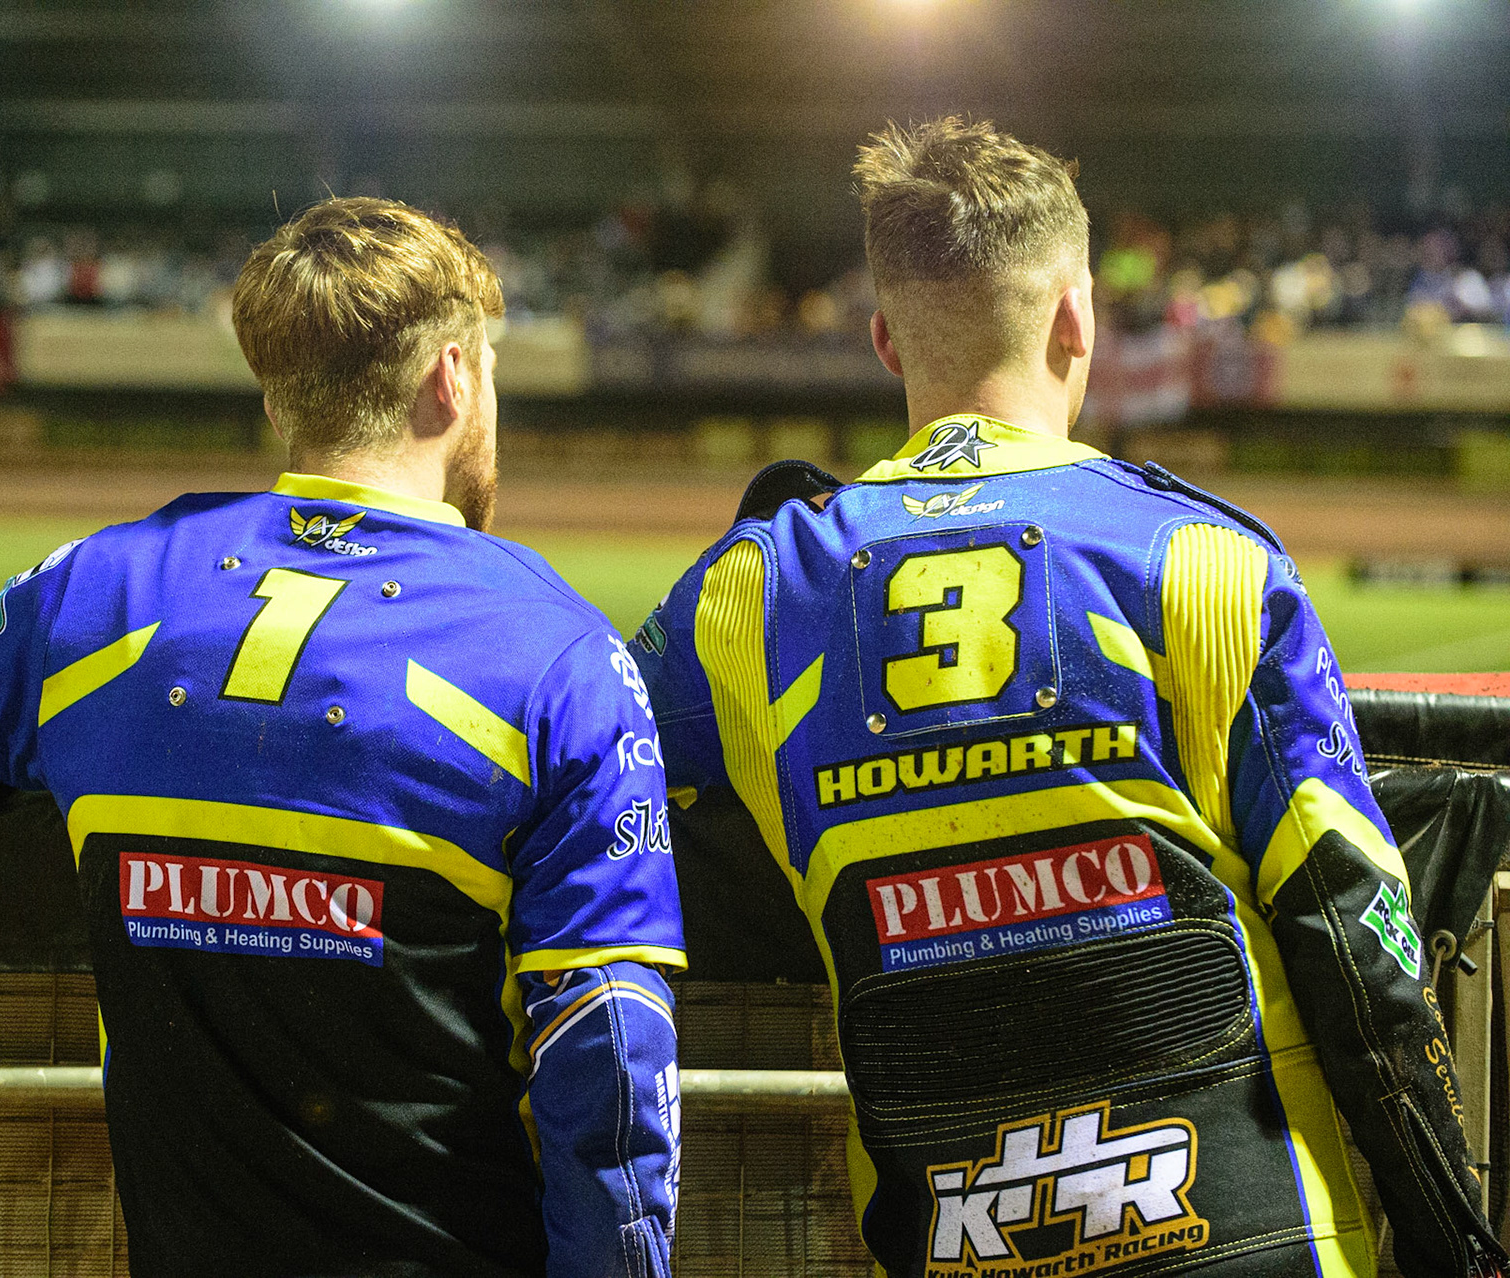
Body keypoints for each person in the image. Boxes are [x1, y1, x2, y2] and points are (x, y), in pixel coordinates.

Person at [633, 119, 1505, 1278]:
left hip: (947, 1242)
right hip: (1258, 1236)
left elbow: (582, 765)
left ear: (887, 338)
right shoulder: (1208, 561)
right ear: (1078, 318)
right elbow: (1364, 949)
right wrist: (1460, 1245)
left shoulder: (744, 598)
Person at [0, 197, 686, 1278]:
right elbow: (605, 1051)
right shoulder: (565, 658)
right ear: (454, 378)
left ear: (278, 388)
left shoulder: (100, 588)